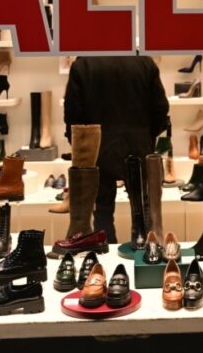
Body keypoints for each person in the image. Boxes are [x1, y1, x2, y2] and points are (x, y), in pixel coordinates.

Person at [63, 55, 169, 243]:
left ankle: (104, 252)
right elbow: (160, 108)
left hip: (98, 146)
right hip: (138, 143)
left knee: (102, 210)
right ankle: (145, 251)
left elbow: (72, 112)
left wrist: (81, 145)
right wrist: (148, 135)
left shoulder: (83, 63)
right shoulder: (144, 63)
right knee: (143, 210)